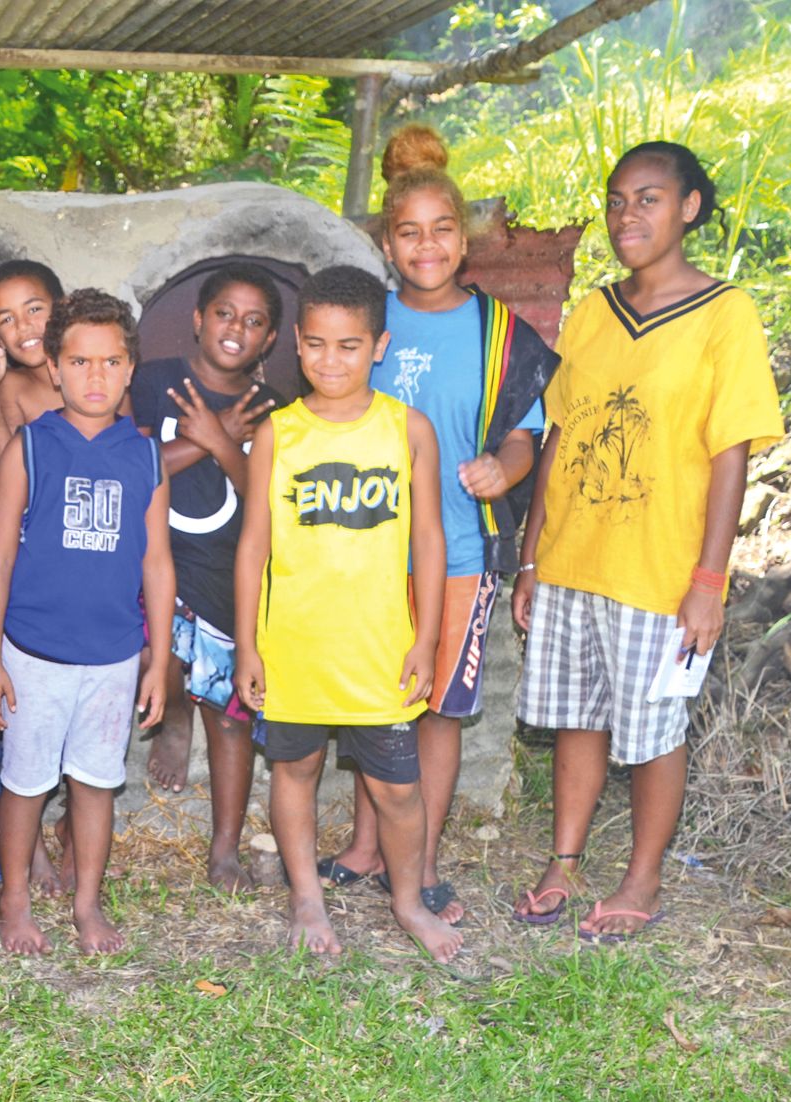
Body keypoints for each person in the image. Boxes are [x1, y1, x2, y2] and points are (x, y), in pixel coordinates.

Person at [511, 142, 783, 942]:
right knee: (577, 720)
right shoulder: (595, 310)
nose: (628, 214)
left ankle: (642, 878)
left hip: (660, 569)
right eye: (618, 199)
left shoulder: (725, 314)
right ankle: (563, 861)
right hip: (571, 558)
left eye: (650, 198)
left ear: (689, 208)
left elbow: (729, 452)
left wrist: (708, 577)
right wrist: (532, 557)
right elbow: (559, 438)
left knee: (654, 729)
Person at [320, 126, 557, 926]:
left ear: (466, 239)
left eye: (443, 230)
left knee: (439, 710)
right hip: (363, 550)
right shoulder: (366, 319)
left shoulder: (503, 336)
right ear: (388, 242)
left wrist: (507, 469)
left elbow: (526, 435)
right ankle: (363, 848)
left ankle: (415, 868)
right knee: (375, 701)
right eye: (409, 232)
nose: (427, 246)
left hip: (458, 549)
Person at [233, 265, 464, 964]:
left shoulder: (408, 429)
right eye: (317, 345)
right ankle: (307, 897)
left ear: (380, 347)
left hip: (378, 647)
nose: (331, 362)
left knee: (398, 789)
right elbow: (253, 548)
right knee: (295, 772)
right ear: (297, 345)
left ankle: (406, 899)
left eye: (349, 346)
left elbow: (429, 541)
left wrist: (426, 640)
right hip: (295, 646)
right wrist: (248, 646)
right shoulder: (280, 433)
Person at [0, 288, 175, 957]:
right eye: (80, 361)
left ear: (129, 370)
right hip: (33, 651)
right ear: (55, 368)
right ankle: (15, 902)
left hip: (114, 656)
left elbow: (157, 565)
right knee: (26, 784)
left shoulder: (145, 457)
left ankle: (88, 905)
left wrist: (160, 658)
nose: (95, 375)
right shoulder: (30, 448)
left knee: (96, 783)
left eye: (110, 361)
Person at [132, 262, 282, 892]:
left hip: (227, 574)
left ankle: (224, 848)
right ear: (197, 319)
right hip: (155, 567)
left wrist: (224, 445)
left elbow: (268, 502)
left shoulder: (273, 409)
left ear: (270, 339)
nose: (235, 329)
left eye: (253, 322)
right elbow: (134, 465)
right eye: (224, 314)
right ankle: (171, 718)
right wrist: (207, 439)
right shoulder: (153, 383)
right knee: (153, 661)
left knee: (231, 716)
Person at [0, 259, 65, 459]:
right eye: (7, 320)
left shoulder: (97, 367)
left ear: (63, 308)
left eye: (34, 309)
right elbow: (7, 474)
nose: (23, 326)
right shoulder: (12, 386)